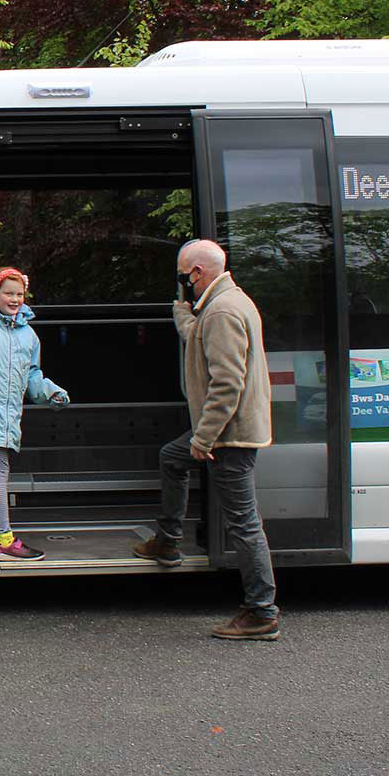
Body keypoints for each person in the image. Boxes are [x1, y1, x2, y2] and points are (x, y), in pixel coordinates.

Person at [132, 239, 281, 640]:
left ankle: (261, 611)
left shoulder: (223, 312)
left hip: (228, 435)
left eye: (184, 278)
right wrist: (182, 314)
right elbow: (200, 335)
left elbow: (227, 384)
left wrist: (204, 438)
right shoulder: (225, 303)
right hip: (226, 430)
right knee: (171, 457)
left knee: (245, 524)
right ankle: (167, 540)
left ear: (197, 273)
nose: (184, 284)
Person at [0, 268, 70, 561]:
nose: (15, 299)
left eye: (19, 294)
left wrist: (50, 392)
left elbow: (32, 375)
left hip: (4, 414)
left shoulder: (28, 336)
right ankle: (3, 541)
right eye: (8, 293)